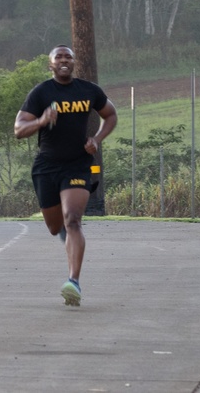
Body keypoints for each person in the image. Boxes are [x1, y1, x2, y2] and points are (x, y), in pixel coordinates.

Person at [14, 45, 118, 307]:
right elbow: (18, 129)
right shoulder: (41, 93)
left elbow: (111, 114)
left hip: (77, 165)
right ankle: (66, 235)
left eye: (68, 57)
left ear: (74, 63)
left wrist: (97, 138)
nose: (63, 60)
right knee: (55, 226)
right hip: (47, 166)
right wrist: (41, 121)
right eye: (58, 57)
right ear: (50, 64)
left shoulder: (89, 90)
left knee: (73, 219)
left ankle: (73, 282)